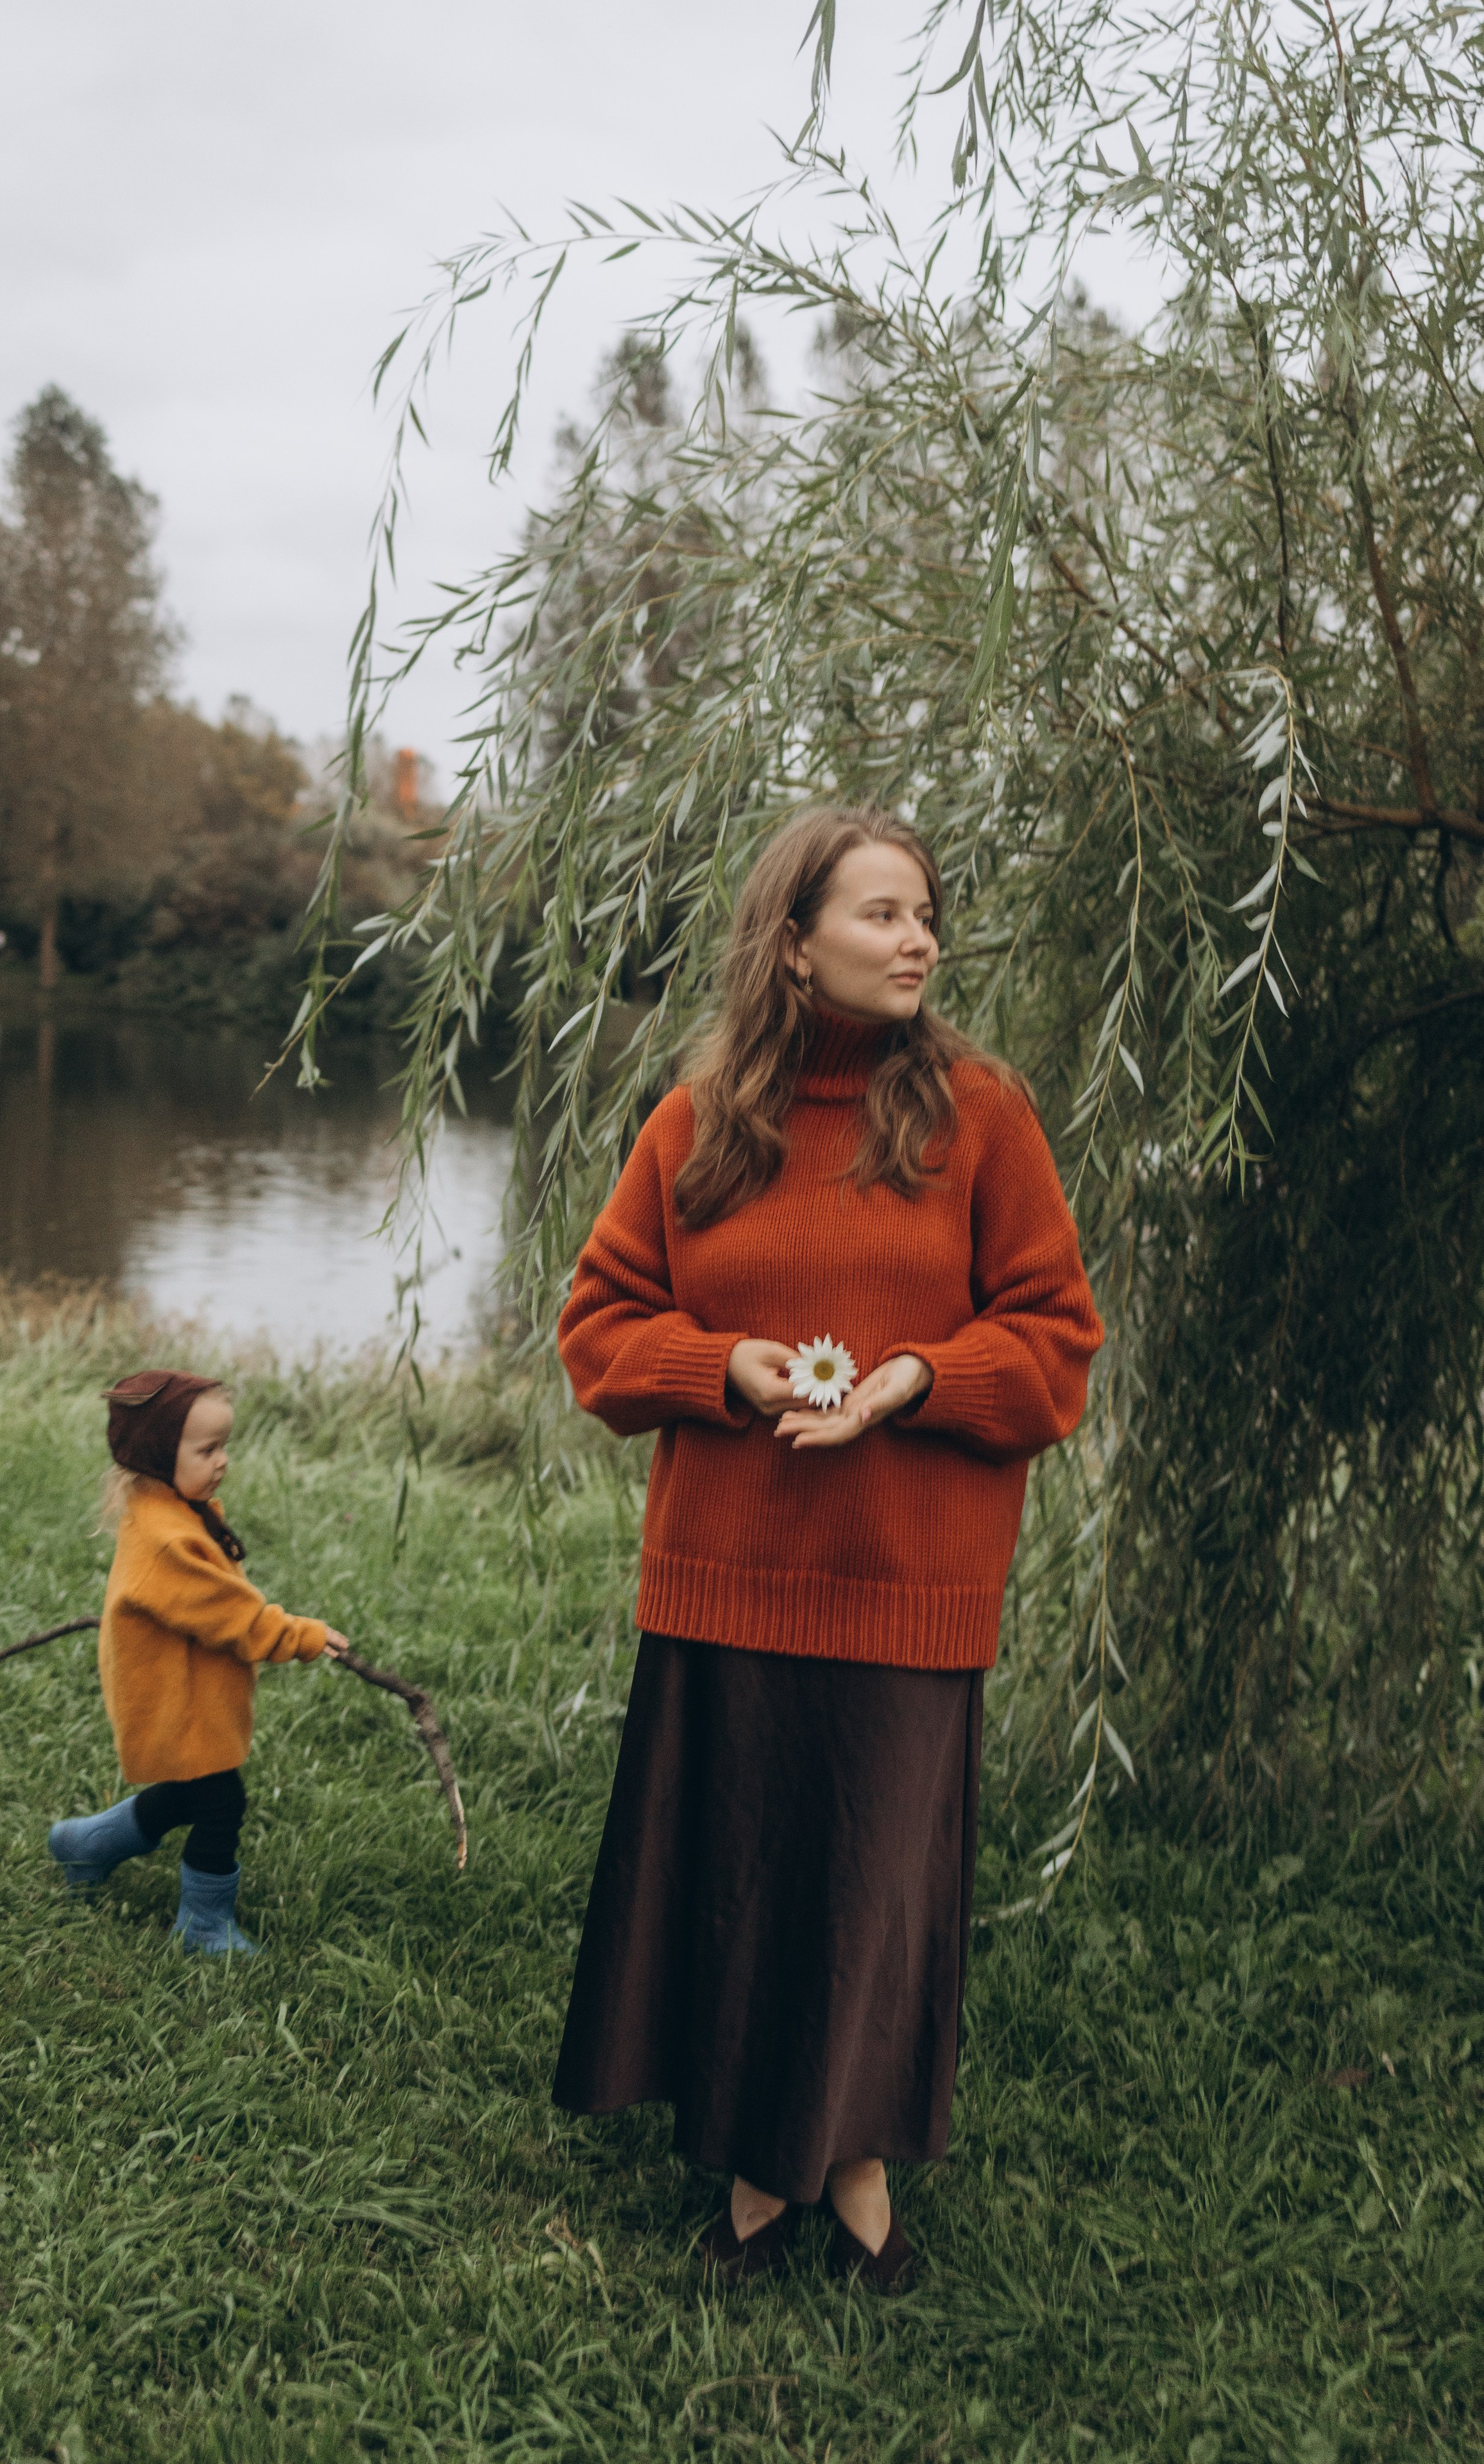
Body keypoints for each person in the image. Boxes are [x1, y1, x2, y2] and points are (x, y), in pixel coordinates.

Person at [552, 805, 1103, 2287]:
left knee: (868, 1880)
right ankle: (747, 2166)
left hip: (905, 1583)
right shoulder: (696, 1122)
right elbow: (597, 1326)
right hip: (726, 1574)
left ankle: (851, 2169)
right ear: (788, 939)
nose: (916, 937)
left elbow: (1054, 1338)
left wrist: (915, 1379)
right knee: (735, 1870)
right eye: (879, 913)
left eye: (924, 912)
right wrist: (717, 1365)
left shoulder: (980, 1115)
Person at [46, 1370, 348, 1955]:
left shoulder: (172, 1508)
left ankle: (86, 1843)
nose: (223, 1461)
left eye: (223, 1446)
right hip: (177, 1696)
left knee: (192, 1793)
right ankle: (203, 1924)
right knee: (220, 1803)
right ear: (162, 1454)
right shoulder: (169, 1540)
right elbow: (233, 1615)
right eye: (208, 1449)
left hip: (187, 1685)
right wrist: (300, 1636)